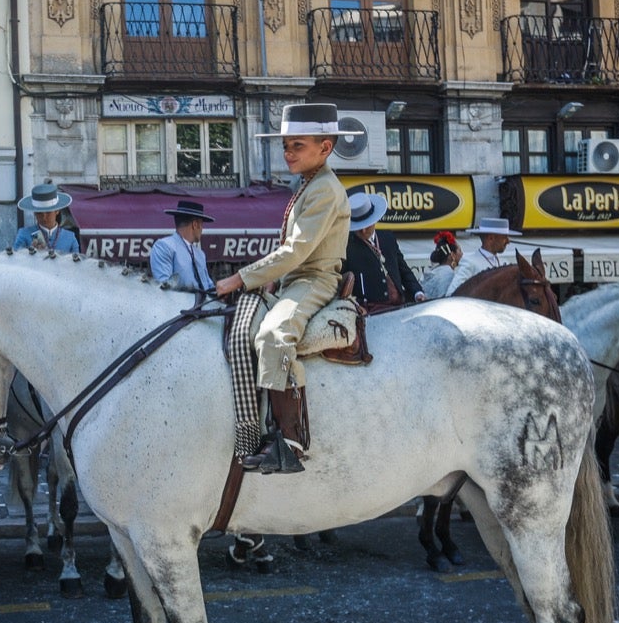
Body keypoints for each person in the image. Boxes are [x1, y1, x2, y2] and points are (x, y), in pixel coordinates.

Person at [215, 103, 352, 474]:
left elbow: (297, 251)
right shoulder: (308, 183)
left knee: (274, 335)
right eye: (286, 146)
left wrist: (240, 278)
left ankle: (290, 442)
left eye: (297, 146)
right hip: (294, 280)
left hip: (314, 281)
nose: (288, 153)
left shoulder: (324, 189)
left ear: (325, 148)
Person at [340, 192, 424, 312]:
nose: (363, 230)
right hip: (369, 312)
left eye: (366, 225)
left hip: (400, 307)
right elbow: (341, 284)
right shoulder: (346, 246)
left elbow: (403, 270)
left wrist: (417, 292)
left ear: (373, 220)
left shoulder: (387, 237)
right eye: (359, 228)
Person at [149, 199, 214, 292]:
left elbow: (209, 286)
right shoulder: (164, 246)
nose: (202, 230)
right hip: (180, 306)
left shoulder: (200, 254)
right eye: (202, 225)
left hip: (206, 305)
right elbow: (164, 288)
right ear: (195, 225)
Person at [449, 216, 522, 291]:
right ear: (491, 238)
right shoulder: (470, 262)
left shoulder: (505, 262)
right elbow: (453, 292)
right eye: (504, 237)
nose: (508, 241)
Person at [13, 184, 80, 254]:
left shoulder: (70, 237)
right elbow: (15, 261)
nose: (44, 217)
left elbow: (76, 263)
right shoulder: (24, 234)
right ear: (34, 213)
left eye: (48, 213)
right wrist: (29, 253)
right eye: (39, 213)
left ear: (57, 211)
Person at [420, 230, 462, 299]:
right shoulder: (448, 274)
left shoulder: (435, 270)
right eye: (459, 251)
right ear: (452, 255)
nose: (462, 254)